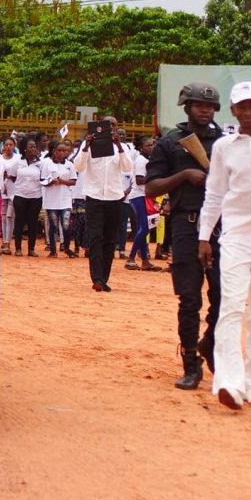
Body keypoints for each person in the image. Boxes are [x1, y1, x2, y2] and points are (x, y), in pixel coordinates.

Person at [145, 82, 223, 390]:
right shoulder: (170, 143)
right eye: (198, 105)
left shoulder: (224, 142)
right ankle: (191, 362)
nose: (205, 110)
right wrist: (184, 177)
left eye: (210, 106)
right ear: (186, 107)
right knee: (189, 298)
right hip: (185, 225)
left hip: (220, 226)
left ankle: (210, 342)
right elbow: (151, 188)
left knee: (223, 295)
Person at [198, 81, 251, 410]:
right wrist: (204, 236)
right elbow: (214, 194)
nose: (249, 111)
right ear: (234, 110)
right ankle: (229, 384)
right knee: (232, 307)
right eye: (243, 106)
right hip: (237, 235)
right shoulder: (224, 147)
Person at [74, 116, 132, 292]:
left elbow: (128, 167)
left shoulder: (122, 148)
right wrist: (86, 146)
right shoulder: (90, 146)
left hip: (114, 197)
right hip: (94, 197)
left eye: (113, 126)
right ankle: (97, 279)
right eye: (108, 125)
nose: (111, 129)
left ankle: (104, 278)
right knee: (95, 237)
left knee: (110, 239)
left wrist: (120, 146)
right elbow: (78, 167)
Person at [124, 135, 161, 272]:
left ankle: (144, 261)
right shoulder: (141, 161)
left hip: (143, 196)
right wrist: (155, 178)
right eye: (147, 145)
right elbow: (139, 180)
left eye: (152, 145)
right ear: (140, 148)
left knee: (143, 228)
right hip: (138, 196)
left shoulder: (148, 160)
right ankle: (131, 258)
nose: (151, 147)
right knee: (144, 228)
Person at [40, 141, 77, 258]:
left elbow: (73, 181)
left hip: (65, 199)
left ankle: (66, 247)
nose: (62, 153)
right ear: (54, 151)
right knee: (53, 225)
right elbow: (42, 180)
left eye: (64, 151)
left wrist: (62, 182)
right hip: (51, 200)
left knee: (66, 225)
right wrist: (51, 182)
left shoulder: (69, 165)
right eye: (59, 150)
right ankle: (53, 250)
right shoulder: (47, 165)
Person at [9, 137, 43, 257]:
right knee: (19, 222)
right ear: (24, 149)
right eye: (31, 147)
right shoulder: (18, 162)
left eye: (35, 146)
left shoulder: (40, 163)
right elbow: (12, 176)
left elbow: (43, 178)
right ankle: (18, 248)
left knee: (33, 223)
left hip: (36, 197)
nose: (33, 149)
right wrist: (22, 185)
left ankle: (31, 249)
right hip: (20, 196)